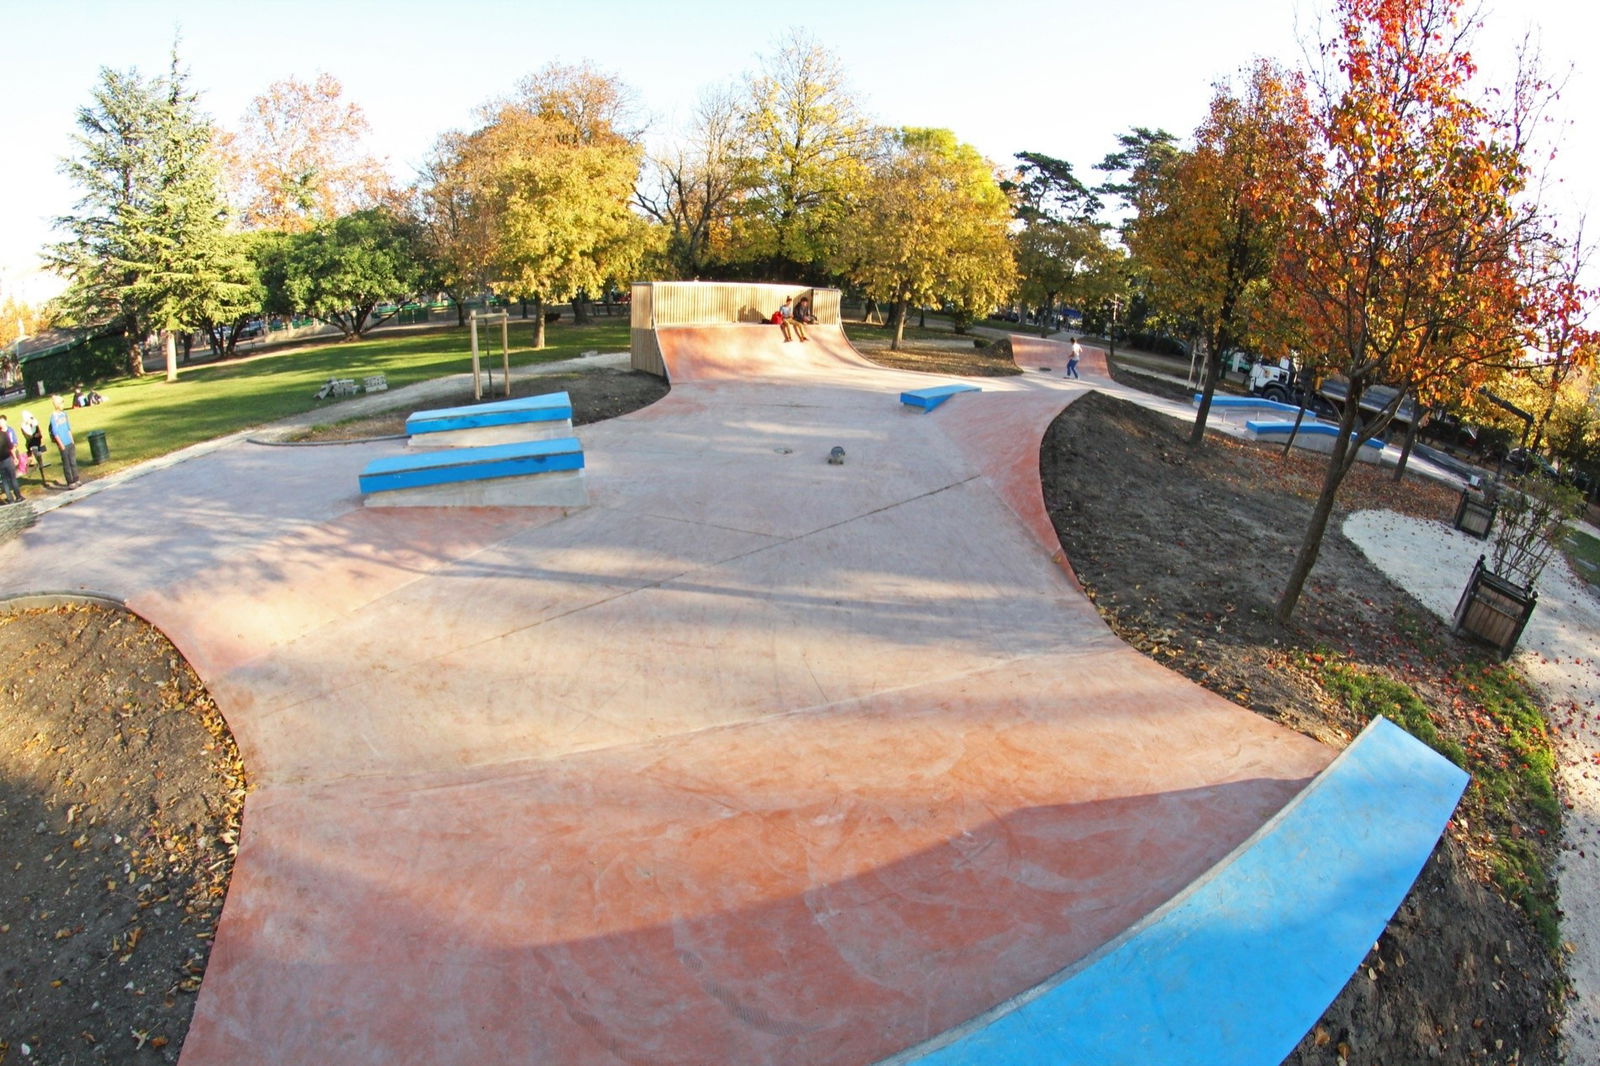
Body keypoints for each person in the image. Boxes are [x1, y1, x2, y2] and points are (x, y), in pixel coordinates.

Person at [49, 396, 80, 488]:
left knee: (73, 461)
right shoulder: (54, 416)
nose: (63, 405)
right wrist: (61, 444)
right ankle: (70, 481)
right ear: (57, 405)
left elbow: (68, 427)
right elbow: (55, 432)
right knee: (66, 463)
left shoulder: (64, 414)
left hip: (69, 441)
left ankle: (76, 478)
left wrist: (72, 440)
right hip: (62, 443)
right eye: (61, 403)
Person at [19, 411, 45, 486]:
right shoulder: (23, 426)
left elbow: (40, 433)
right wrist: (34, 436)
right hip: (31, 444)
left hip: (38, 442)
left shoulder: (35, 423)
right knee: (36, 452)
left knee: (39, 456)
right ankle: (34, 465)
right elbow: (28, 437)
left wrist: (38, 434)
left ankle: (40, 471)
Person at [0, 415, 21, 503]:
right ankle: (18, 496)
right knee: (13, 478)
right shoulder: (4, 434)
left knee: (4, 481)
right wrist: (15, 457)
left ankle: (10, 499)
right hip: (7, 458)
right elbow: (11, 447)